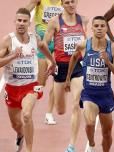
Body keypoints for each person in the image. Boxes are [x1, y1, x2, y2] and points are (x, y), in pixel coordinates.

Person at [0, 8, 56, 152]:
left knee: (26, 115)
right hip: (12, 88)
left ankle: (29, 150)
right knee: (16, 124)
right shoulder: (8, 41)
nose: (21, 23)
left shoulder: (34, 38)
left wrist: (52, 62)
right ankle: (20, 134)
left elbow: (43, 46)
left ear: (28, 24)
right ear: (15, 22)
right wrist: (12, 56)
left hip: (30, 86)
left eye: (25, 21)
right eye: (19, 20)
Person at [65, 16, 114, 152]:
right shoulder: (84, 45)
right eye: (96, 26)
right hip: (89, 94)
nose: (99, 28)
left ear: (107, 29)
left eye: (102, 26)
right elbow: (73, 58)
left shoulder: (113, 48)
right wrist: (68, 78)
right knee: (89, 123)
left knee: (107, 133)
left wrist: (108, 62)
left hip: (106, 95)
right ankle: (92, 144)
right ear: (92, 28)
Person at [42, 0, 88, 151]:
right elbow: (44, 44)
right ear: (62, 4)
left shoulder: (84, 20)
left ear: (77, 2)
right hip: (60, 67)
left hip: (77, 66)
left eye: (73, 1)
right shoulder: (55, 22)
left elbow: (88, 43)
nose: (70, 5)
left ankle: (71, 145)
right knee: (60, 110)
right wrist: (50, 61)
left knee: (76, 104)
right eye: (67, 2)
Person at [26, 0, 63, 125]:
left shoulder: (63, 2)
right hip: (43, 42)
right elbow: (24, 13)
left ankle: (49, 113)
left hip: (58, 40)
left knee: (56, 79)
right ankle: (27, 108)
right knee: (41, 82)